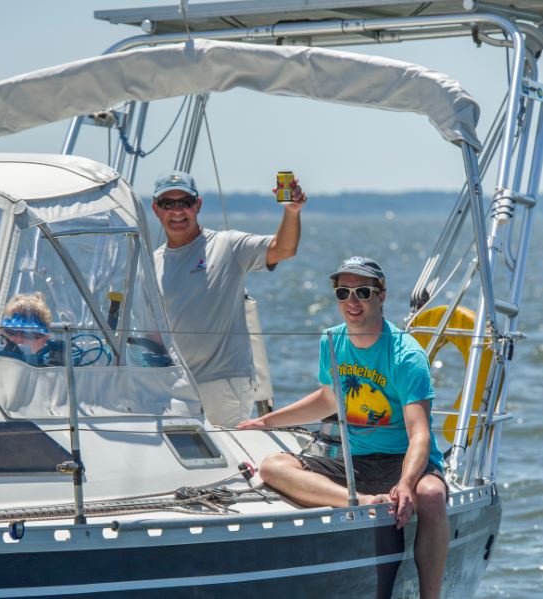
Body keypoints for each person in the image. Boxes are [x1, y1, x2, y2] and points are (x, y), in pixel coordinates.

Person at [237, 256, 448, 599]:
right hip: (356, 464)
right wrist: (265, 422)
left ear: (381, 296)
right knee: (273, 466)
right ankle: (365, 501)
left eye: (362, 292)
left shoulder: (406, 353)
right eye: (343, 292)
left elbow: (420, 434)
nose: (352, 301)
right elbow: (328, 399)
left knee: (431, 495)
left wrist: (407, 484)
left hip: (401, 459)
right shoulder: (332, 342)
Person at [152, 169, 306, 426]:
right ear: (156, 209)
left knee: (229, 461)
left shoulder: (228, 245)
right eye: (168, 204)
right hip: (176, 386)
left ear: (198, 205)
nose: (177, 211)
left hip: (225, 382)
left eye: (185, 203)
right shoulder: (153, 263)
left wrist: (292, 212)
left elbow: (284, 249)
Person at [0, 292, 52, 365]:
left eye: (28, 334)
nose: (17, 339)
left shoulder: (54, 371)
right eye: (11, 332)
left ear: (45, 338)